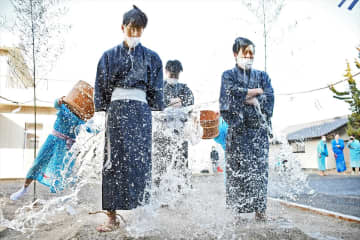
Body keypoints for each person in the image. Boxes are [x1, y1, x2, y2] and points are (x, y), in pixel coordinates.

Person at [94, 5, 164, 232]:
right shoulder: (108, 56)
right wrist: (103, 110)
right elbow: (101, 88)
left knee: (141, 161)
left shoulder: (152, 58)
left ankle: (142, 213)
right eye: (131, 28)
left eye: (139, 30)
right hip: (116, 111)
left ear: (143, 31)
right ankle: (111, 216)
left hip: (141, 112)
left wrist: (156, 105)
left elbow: (156, 92)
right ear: (123, 27)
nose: (135, 34)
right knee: (112, 160)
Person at [219, 37, 274, 221]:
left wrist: (251, 96)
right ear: (236, 54)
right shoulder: (227, 75)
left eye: (251, 53)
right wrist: (254, 92)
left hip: (258, 131)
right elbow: (227, 98)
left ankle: (260, 210)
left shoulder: (263, 76)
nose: (249, 56)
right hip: (237, 130)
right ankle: (235, 212)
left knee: (259, 171)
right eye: (245, 53)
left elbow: (270, 97)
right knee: (236, 171)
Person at [10, 96, 90, 200]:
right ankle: (24, 188)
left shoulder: (82, 120)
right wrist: (59, 100)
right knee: (37, 163)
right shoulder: (64, 107)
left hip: (66, 146)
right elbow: (56, 104)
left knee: (64, 172)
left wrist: (93, 124)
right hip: (52, 140)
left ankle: (67, 199)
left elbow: (90, 129)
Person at [152, 59, 195, 191]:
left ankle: (181, 190)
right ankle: (158, 190)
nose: (174, 77)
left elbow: (191, 102)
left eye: (176, 75)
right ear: (166, 72)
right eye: (172, 75)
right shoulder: (159, 87)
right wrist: (174, 103)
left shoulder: (184, 88)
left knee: (181, 162)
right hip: (162, 132)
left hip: (179, 132)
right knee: (161, 163)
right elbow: (156, 104)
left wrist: (178, 102)